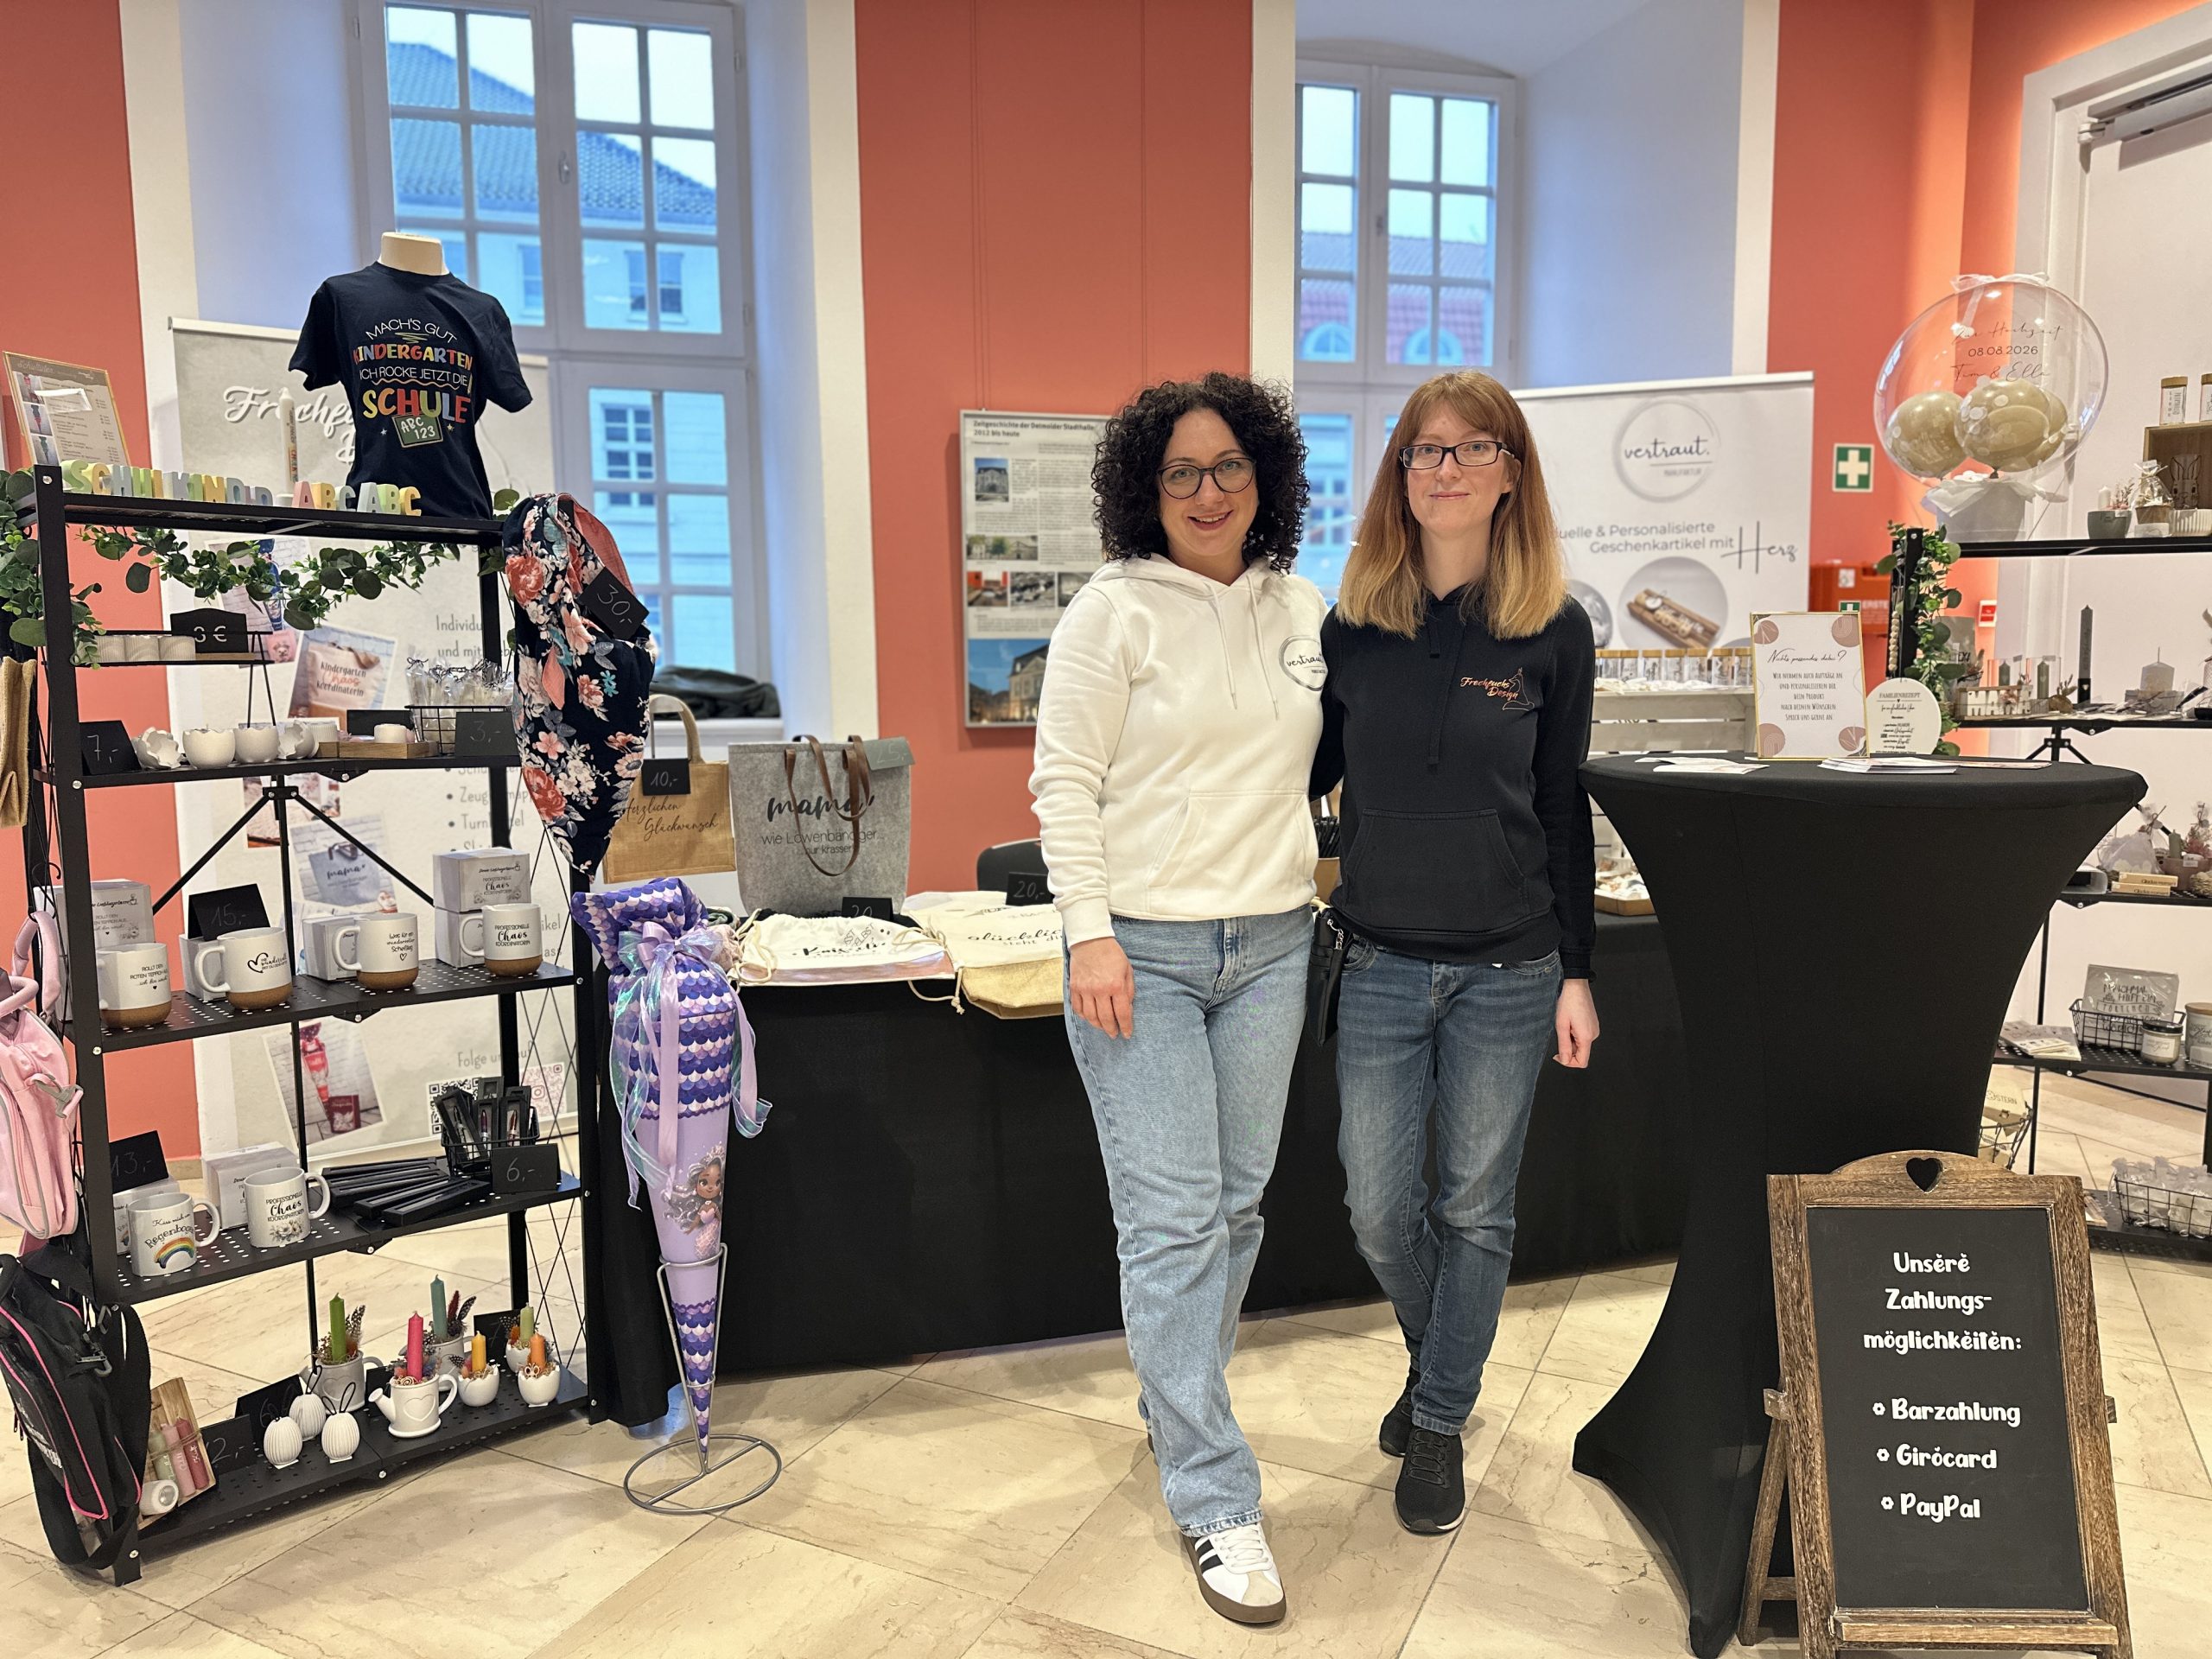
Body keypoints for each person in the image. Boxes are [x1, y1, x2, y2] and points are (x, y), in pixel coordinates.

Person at [1029, 372, 1326, 1626]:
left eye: (1229, 468)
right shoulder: (1111, 612)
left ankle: (1174, 1398)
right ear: (1146, 491)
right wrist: (1089, 936)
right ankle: (1214, 1495)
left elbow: (1320, 768)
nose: (1208, 493)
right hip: (1138, 956)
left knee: (1235, 1211)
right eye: (1181, 474)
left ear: (1266, 478)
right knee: (1171, 1226)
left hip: (1273, 945)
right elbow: (1063, 784)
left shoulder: (1303, 607)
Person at [1310, 368, 1599, 1536]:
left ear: (1511, 474)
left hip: (1510, 971)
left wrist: (1579, 969)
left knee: (1475, 1210)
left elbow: (1563, 807)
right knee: (1379, 1209)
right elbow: (1296, 774)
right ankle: (1442, 1364)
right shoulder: (1351, 627)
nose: (1447, 469)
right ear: (1399, 473)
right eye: (1425, 450)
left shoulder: (1553, 629)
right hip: (1378, 961)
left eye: (1475, 448)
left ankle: (1437, 1422)